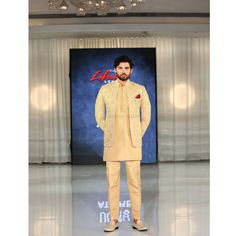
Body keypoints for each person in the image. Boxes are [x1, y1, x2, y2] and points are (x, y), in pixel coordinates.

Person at [95, 55, 151, 232]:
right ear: (115, 70)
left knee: (135, 182)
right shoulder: (105, 89)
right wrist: (109, 131)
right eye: (120, 68)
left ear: (131, 70)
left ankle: (137, 218)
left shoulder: (139, 89)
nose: (123, 71)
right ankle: (113, 219)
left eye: (127, 68)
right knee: (112, 182)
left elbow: (146, 116)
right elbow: (99, 115)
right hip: (112, 142)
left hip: (133, 142)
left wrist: (137, 134)